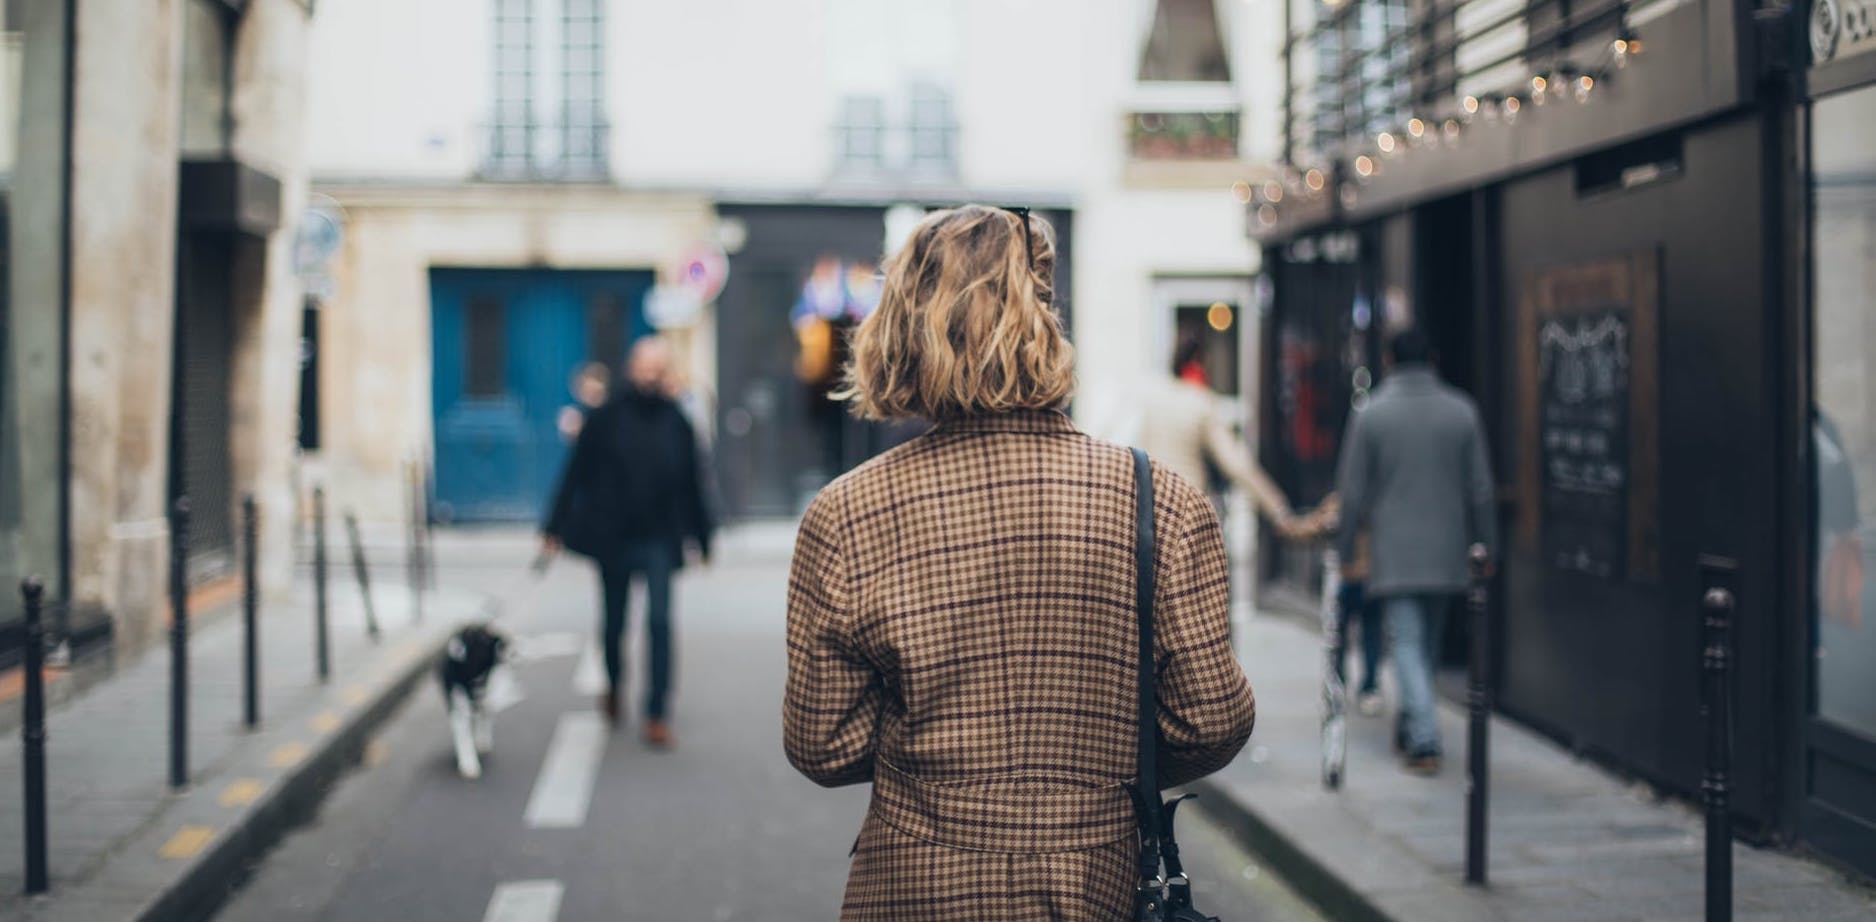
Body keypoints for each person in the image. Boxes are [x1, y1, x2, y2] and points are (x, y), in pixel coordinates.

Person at [783, 205, 1255, 920]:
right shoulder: (1159, 499)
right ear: (1046, 322)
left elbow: (822, 743)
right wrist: (1096, 763)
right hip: (1093, 880)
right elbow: (1212, 721)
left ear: (902, 328)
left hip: (914, 883)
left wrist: (937, 750)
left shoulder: (847, 513)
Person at [1333, 328, 1496, 775]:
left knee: (1406, 643)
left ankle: (1423, 740)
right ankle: (1411, 728)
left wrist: (1345, 549)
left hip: (1395, 551)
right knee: (1424, 645)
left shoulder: (1371, 414)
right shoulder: (1462, 411)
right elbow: (1481, 489)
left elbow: (1352, 493)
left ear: (1388, 360)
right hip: (1449, 552)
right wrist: (1489, 546)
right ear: (1434, 359)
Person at [543, 337, 712, 747]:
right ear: (631, 368)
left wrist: (703, 536)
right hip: (613, 535)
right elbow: (575, 472)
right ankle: (614, 684)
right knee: (614, 623)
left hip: (660, 536)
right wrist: (553, 526)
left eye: (659, 368)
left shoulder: (677, 421)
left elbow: (694, 482)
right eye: (645, 367)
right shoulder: (605, 418)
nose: (651, 375)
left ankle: (657, 712)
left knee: (659, 623)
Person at [1138, 334, 1302, 536]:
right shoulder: (1202, 403)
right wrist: (1278, 509)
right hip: (1186, 514)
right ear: (1199, 361)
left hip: (1152, 513)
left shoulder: (1155, 401)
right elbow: (1237, 465)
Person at [556, 362, 610, 444]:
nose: (593, 398)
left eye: (597, 393)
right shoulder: (572, 416)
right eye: (589, 392)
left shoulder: (614, 417)